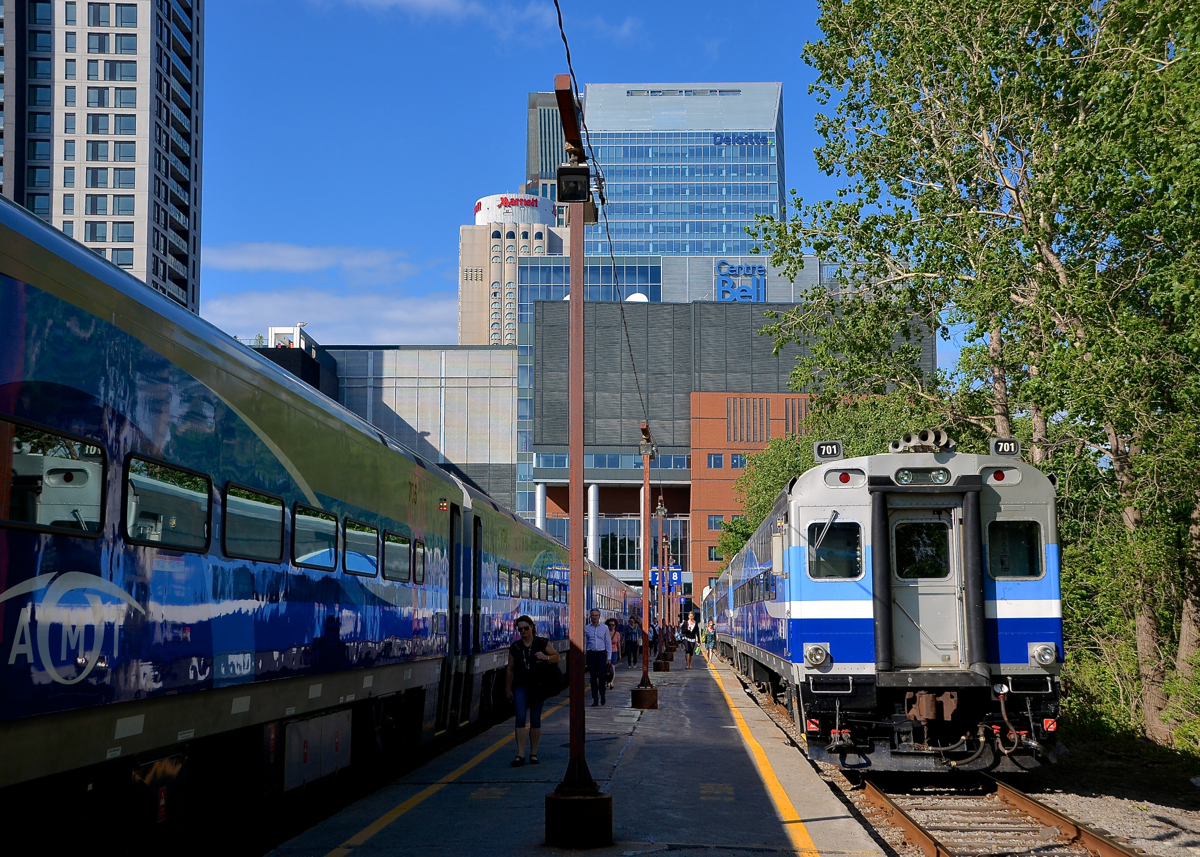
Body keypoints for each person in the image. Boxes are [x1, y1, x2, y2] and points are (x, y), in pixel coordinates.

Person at [505, 614, 560, 767]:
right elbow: (509, 669)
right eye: (520, 629)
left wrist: (545, 657)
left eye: (526, 628)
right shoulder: (515, 647)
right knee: (520, 718)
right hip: (520, 685)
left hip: (538, 685)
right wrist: (508, 689)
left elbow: (557, 657)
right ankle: (520, 754)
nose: (523, 631)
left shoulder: (542, 643)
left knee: (535, 719)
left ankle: (533, 753)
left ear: (532, 627)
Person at [584, 609, 609, 706]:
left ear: (599, 616)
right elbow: (585, 642)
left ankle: (602, 695)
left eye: (596, 615)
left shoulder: (605, 628)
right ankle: (595, 699)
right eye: (593, 615)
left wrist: (609, 657)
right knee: (593, 677)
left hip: (601, 654)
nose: (594, 617)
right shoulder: (586, 628)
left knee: (602, 676)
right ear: (590, 617)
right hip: (591, 654)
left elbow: (607, 642)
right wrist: (584, 654)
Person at [606, 618, 621, 689]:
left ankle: (611, 682)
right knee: (606, 668)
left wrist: (619, 654)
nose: (611, 626)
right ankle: (607, 681)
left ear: (615, 626)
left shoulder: (617, 634)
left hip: (614, 652)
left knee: (612, 667)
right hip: (606, 652)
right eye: (610, 625)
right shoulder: (605, 633)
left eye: (613, 625)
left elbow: (618, 644)